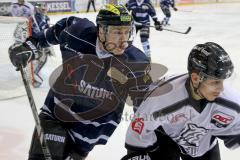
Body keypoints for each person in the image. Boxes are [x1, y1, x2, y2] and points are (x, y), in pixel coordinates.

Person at [9, 4, 153, 160]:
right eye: (117, 32)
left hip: (89, 131)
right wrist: (31, 44)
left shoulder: (136, 63)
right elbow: (60, 28)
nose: (123, 40)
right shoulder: (78, 33)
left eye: (126, 32)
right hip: (56, 113)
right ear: (101, 31)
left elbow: (144, 107)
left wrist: (142, 149)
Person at [121, 42, 240, 160]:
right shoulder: (161, 98)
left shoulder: (231, 104)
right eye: (215, 82)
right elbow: (137, 135)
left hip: (200, 143)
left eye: (222, 81)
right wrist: (137, 155)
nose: (221, 88)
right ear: (195, 78)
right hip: (164, 137)